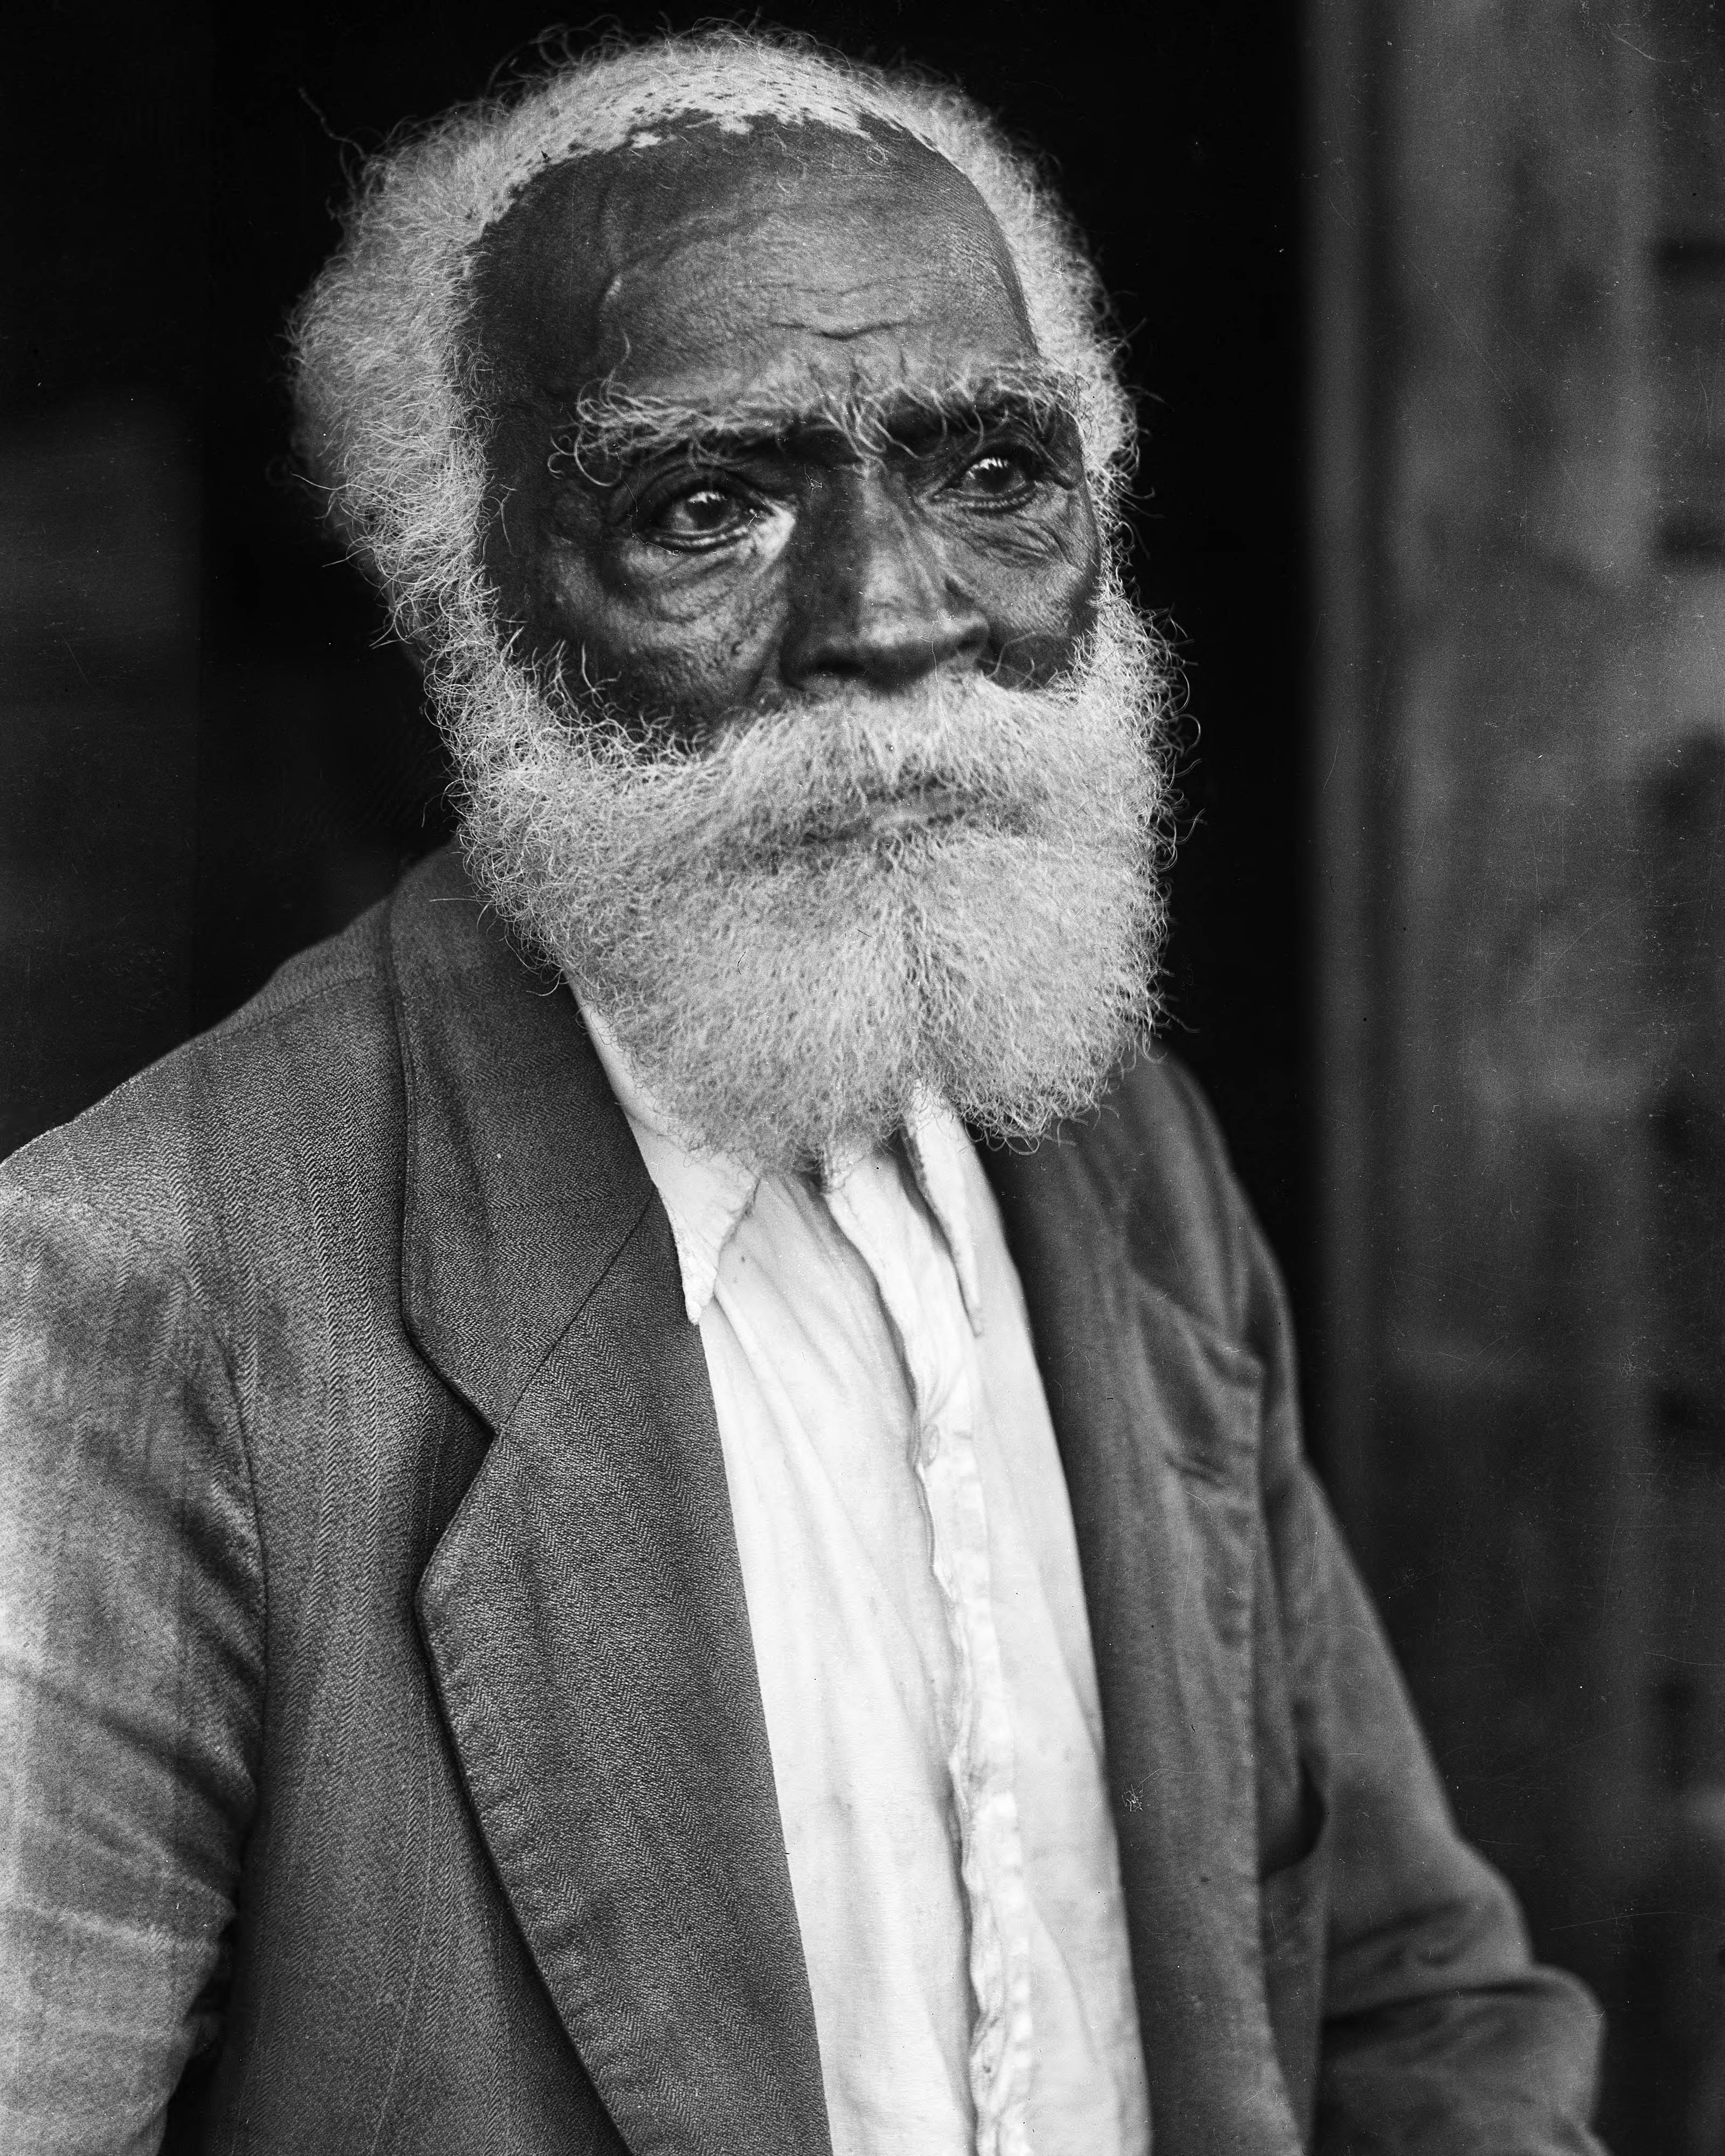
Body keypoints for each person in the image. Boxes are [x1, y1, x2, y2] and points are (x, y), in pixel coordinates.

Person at [0, 29, 1605, 2156]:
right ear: (467, 600)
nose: (892, 615)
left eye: (991, 472)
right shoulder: (140, 1289)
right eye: (706, 506)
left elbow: (1408, 1992)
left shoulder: (1124, 1155)